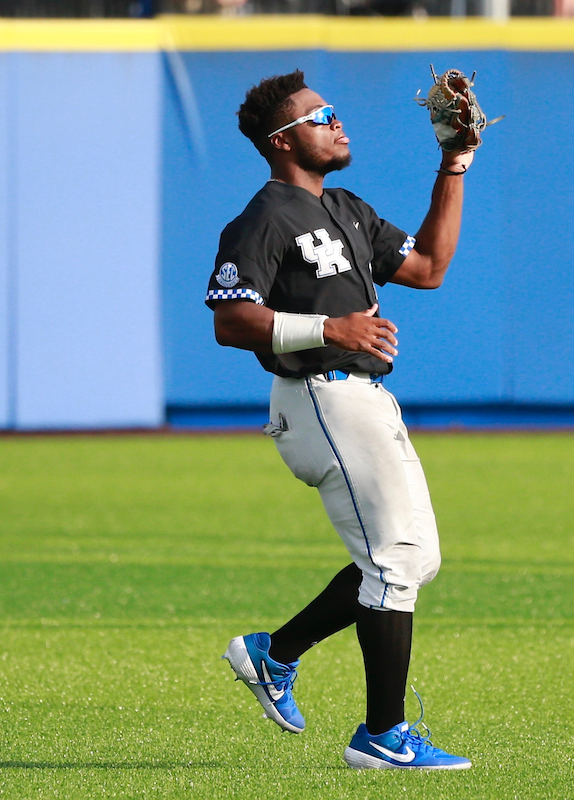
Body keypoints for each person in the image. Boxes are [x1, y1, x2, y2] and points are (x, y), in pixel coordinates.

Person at [210, 70, 473, 770]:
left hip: (360, 399)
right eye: (320, 114)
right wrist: (333, 326)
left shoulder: (348, 209)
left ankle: (275, 653)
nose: (337, 121)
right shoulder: (264, 217)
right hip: (318, 397)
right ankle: (382, 736)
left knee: (414, 560)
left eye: (334, 110)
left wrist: (454, 162)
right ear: (283, 139)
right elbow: (232, 322)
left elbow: (428, 267)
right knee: (396, 561)